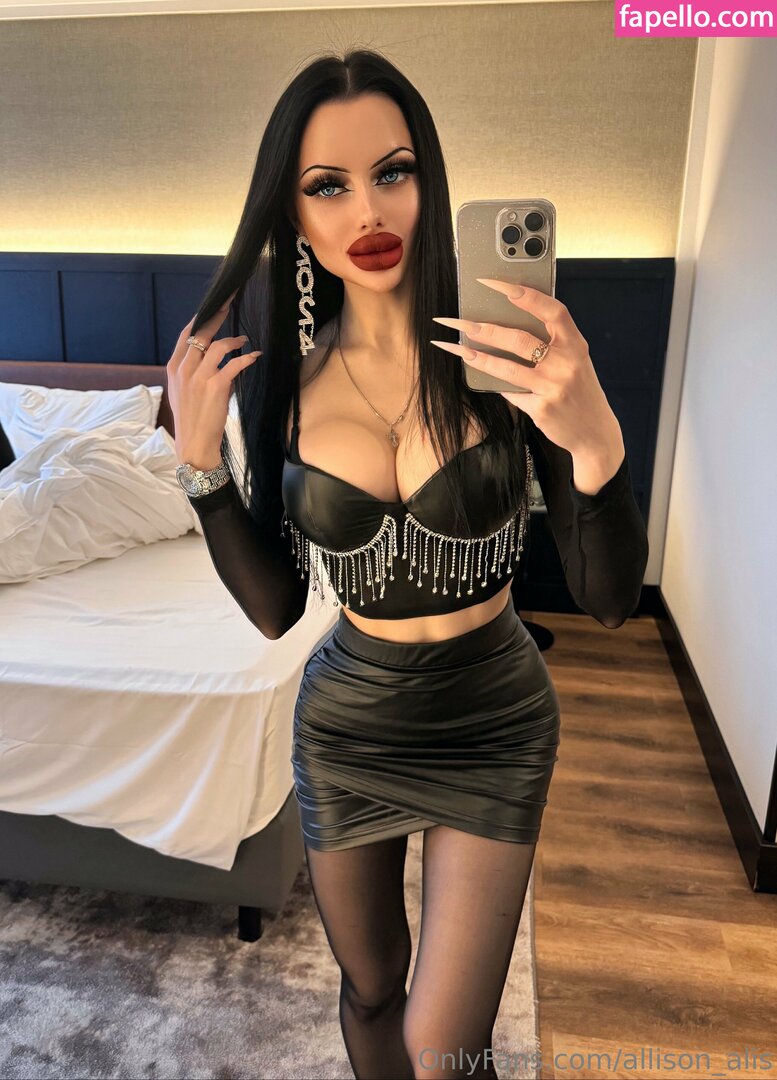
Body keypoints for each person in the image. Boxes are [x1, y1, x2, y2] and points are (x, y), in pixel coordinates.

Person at [166, 49, 649, 1080]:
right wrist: (201, 469)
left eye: (392, 171)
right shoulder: (284, 385)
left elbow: (610, 601)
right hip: (349, 725)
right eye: (326, 185)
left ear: (429, 178)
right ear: (291, 214)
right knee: (372, 987)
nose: (368, 209)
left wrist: (599, 444)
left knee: (444, 1052)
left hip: (495, 718)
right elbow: (277, 608)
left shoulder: (506, 360)